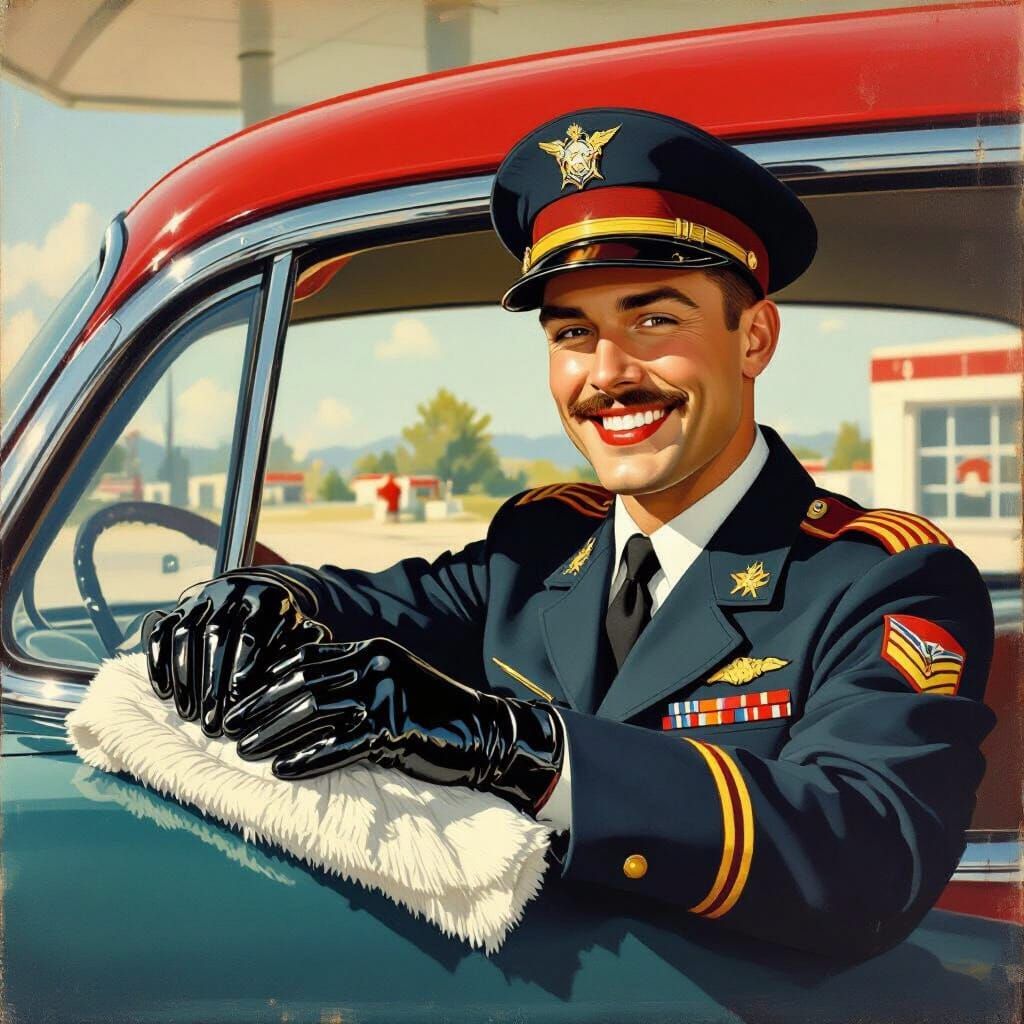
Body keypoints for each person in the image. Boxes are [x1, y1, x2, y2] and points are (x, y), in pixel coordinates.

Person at [144, 108, 995, 959]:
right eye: (572, 333)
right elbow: (375, 606)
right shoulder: (540, 544)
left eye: (654, 320)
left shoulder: (880, 579)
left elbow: (868, 855)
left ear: (755, 338)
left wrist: (517, 751)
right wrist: (247, 599)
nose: (608, 374)